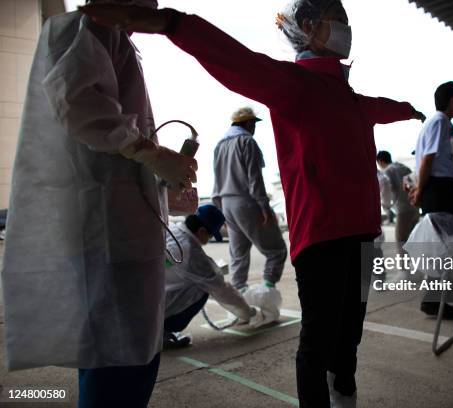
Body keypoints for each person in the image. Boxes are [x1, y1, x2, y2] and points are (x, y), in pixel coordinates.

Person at [79, 2, 426, 407]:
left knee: (349, 334)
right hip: (323, 237)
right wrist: (171, 23)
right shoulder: (293, 85)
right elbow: (234, 58)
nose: (346, 26)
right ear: (310, 27)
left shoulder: (350, 98)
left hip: (363, 232)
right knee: (318, 342)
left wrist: (408, 111)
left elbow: (379, 106)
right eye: (338, 18)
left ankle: (344, 395)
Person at [0, 1, 197, 407]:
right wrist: (150, 152)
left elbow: (110, 136)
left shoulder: (113, 37)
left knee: (122, 351)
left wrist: (157, 167)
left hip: (123, 228)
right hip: (109, 234)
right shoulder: (88, 27)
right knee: (118, 357)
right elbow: (78, 103)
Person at [163, 204, 260, 349]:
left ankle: (156, 330)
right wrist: (249, 312)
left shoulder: (171, 230)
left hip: (137, 303)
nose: (209, 239)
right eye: (210, 235)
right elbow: (223, 290)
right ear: (202, 231)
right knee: (202, 289)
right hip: (156, 310)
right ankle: (164, 331)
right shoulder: (194, 255)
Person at [212, 107, 287, 292]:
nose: (254, 128)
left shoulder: (219, 145)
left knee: (239, 256)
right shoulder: (247, 141)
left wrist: (222, 212)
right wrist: (264, 208)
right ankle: (267, 293)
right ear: (248, 123)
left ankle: (240, 301)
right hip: (247, 203)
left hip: (227, 205)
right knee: (277, 251)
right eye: (254, 124)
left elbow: (216, 183)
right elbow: (255, 180)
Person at [410, 81, 453, 318]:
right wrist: (420, 189)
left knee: (440, 246)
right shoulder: (441, 121)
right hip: (438, 189)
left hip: (436, 188)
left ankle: (434, 300)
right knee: (443, 247)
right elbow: (428, 160)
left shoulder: (435, 123)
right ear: (451, 101)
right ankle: (433, 301)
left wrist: (420, 188)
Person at [376, 151, 419, 242]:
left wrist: (386, 206)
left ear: (380, 161)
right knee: (413, 241)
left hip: (403, 210)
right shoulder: (404, 167)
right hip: (415, 208)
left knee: (401, 242)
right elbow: (413, 186)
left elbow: (386, 191)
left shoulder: (388, 171)